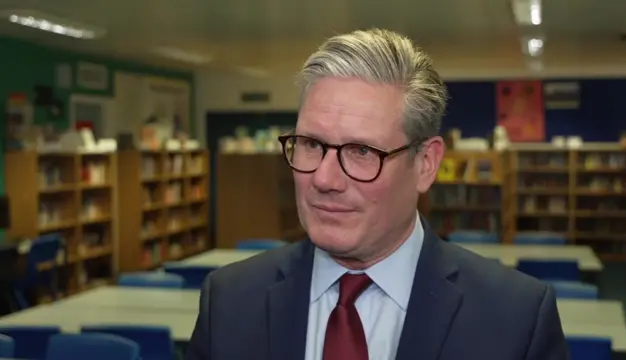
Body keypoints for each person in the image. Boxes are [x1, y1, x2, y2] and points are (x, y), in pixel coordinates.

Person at [186, 28, 568, 360]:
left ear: (426, 164)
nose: (324, 178)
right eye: (311, 144)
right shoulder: (229, 303)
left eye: (362, 152)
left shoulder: (516, 319)